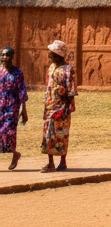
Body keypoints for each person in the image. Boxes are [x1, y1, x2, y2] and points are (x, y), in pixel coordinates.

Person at [40, 40, 77, 173]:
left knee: (61, 134)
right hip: (50, 106)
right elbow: (48, 86)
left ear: (58, 55)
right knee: (48, 134)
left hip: (62, 107)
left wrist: (67, 106)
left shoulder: (68, 69)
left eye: (52, 54)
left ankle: (63, 162)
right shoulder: (51, 68)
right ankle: (50, 163)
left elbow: (71, 91)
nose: (50, 56)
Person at [0, 47, 28, 170]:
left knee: (8, 133)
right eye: (2, 55)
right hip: (0, 106)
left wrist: (24, 111)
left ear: (11, 57)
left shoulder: (17, 73)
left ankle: (14, 154)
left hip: (12, 107)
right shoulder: (0, 71)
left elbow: (22, 91)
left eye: (6, 55)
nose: (3, 57)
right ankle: (15, 154)